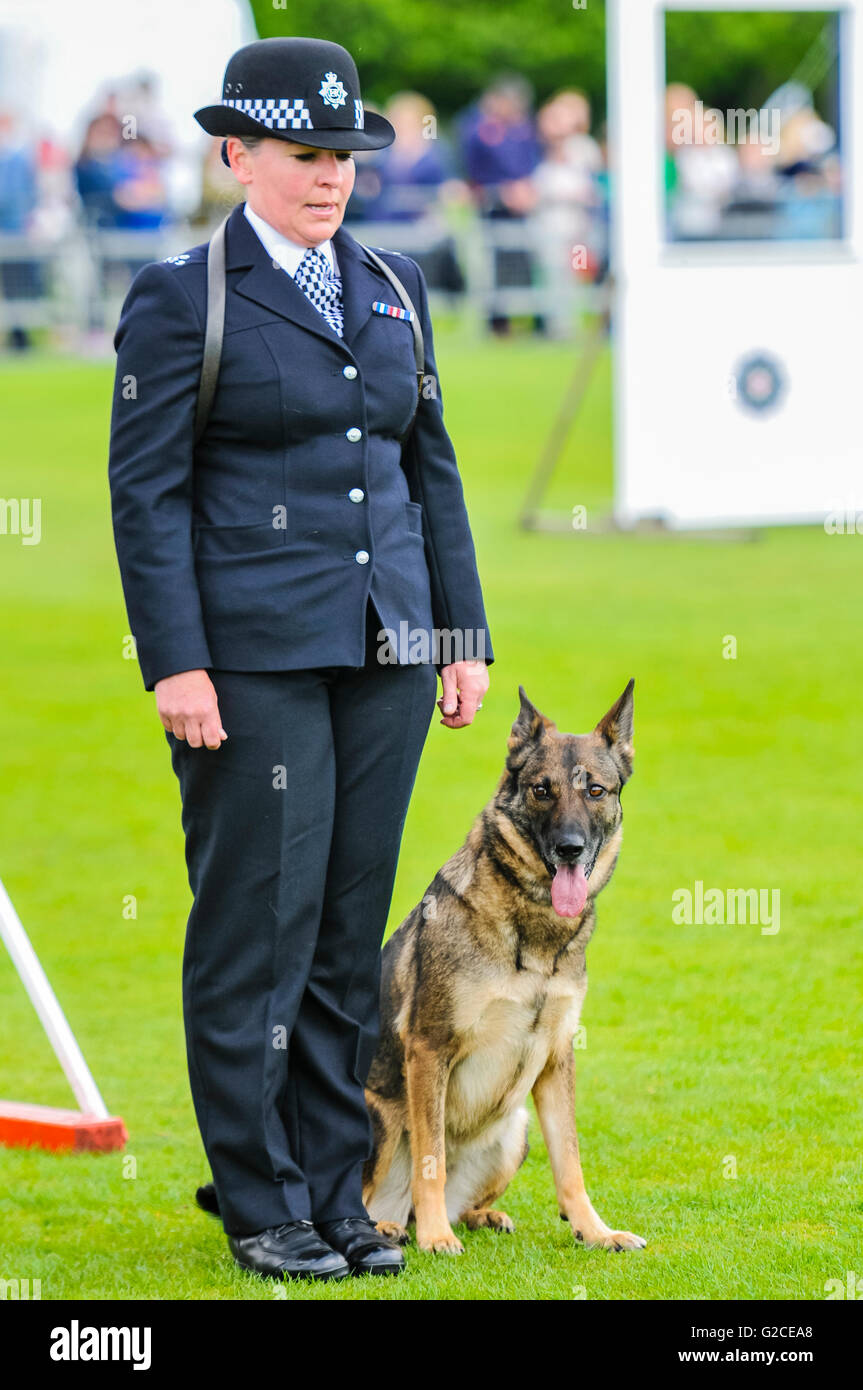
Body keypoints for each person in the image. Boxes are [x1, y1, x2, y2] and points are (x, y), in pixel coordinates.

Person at [107, 37, 493, 1282]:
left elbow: (423, 464)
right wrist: (175, 661)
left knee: (344, 932)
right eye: (304, 154)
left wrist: (457, 635)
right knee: (253, 932)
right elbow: (147, 491)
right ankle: (257, 1193)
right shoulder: (184, 295)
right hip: (249, 660)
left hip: (384, 647)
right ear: (239, 155)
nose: (329, 177)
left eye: (344, 156)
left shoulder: (391, 281)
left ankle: (333, 1191)